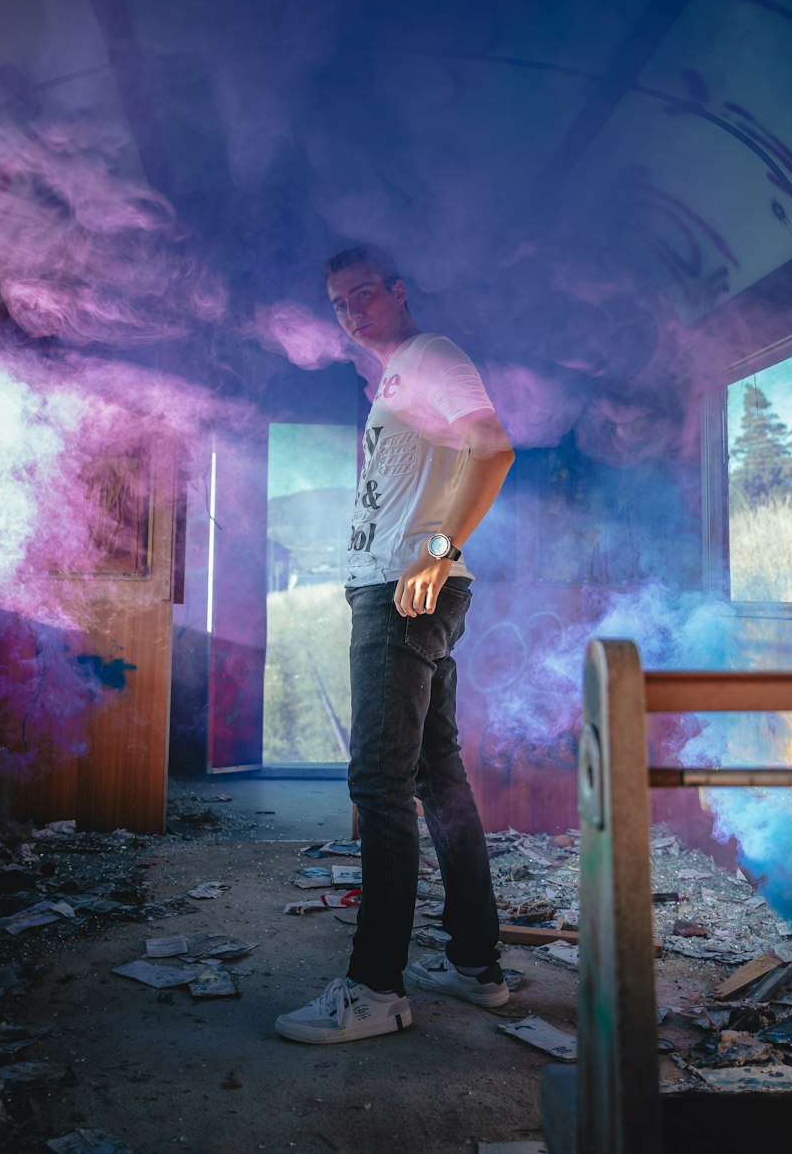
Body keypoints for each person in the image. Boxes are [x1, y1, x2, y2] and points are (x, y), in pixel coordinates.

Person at [275, 244, 516, 1045]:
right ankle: (477, 966)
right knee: (436, 776)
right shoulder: (397, 378)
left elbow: (494, 446)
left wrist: (438, 549)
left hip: (404, 593)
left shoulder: (432, 356)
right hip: (398, 586)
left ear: (401, 291)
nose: (352, 310)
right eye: (340, 301)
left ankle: (375, 990)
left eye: (365, 293)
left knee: (378, 784)